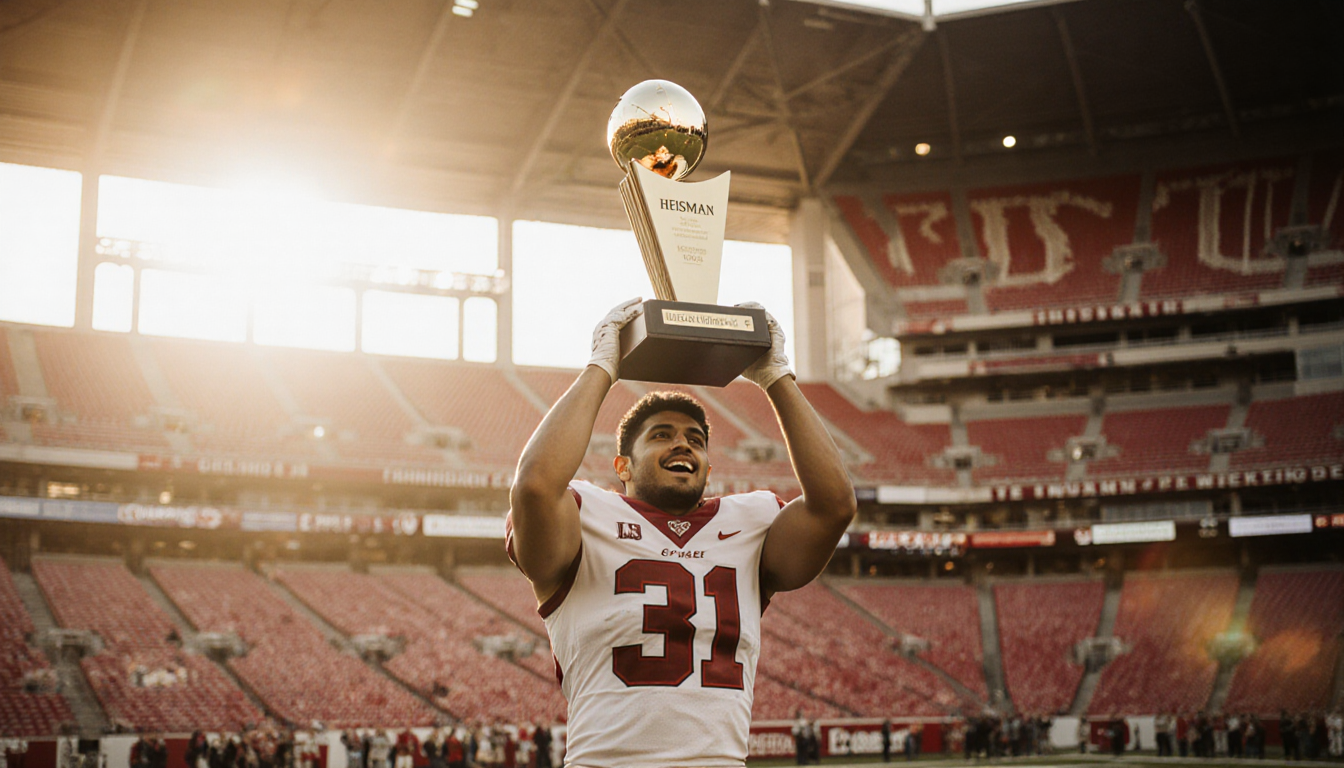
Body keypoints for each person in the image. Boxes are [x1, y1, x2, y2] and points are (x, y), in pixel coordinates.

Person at [507, 298, 856, 768]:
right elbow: (533, 485)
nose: (682, 444)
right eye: (661, 435)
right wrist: (602, 367)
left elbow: (835, 505)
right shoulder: (585, 513)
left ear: (709, 465)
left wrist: (776, 377)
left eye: (696, 440)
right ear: (622, 466)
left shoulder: (748, 523)